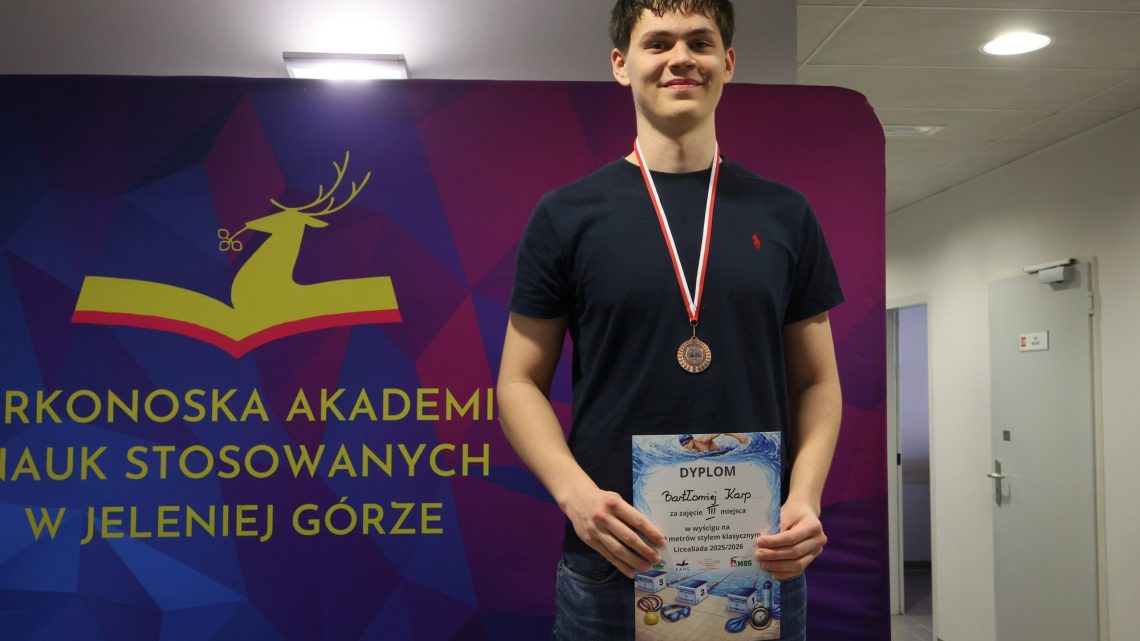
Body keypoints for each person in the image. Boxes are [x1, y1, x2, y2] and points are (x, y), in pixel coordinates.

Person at [496, 1, 844, 639]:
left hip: (759, 559)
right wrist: (575, 496)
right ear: (621, 64)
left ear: (727, 63)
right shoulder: (566, 215)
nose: (680, 58)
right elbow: (518, 381)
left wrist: (805, 497)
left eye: (700, 42)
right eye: (657, 43)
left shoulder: (786, 214)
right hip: (613, 560)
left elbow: (817, 380)